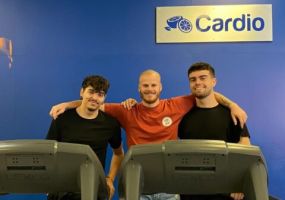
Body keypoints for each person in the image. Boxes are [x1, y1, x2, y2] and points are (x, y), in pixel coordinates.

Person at [49, 69, 247, 200]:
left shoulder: (176, 105)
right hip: (136, 184)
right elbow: (92, 103)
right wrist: (66, 105)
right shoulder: (126, 110)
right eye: (145, 85)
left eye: (153, 85)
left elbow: (207, 94)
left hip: (169, 186)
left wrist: (233, 105)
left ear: (160, 87)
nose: (150, 89)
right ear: (139, 88)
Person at [178, 62, 251, 200]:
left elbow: (245, 151)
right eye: (193, 79)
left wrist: (239, 183)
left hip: (226, 190)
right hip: (191, 190)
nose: (197, 82)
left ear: (214, 81)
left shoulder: (233, 115)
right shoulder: (182, 115)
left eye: (203, 77)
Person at [46, 75, 124, 200]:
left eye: (100, 94)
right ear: (82, 92)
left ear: (104, 98)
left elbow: (119, 154)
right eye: (91, 92)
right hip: (62, 189)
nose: (94, 98)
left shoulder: (111, 124)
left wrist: (109, 179)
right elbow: (48, 153)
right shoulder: (62, 119)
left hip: (94, 188)